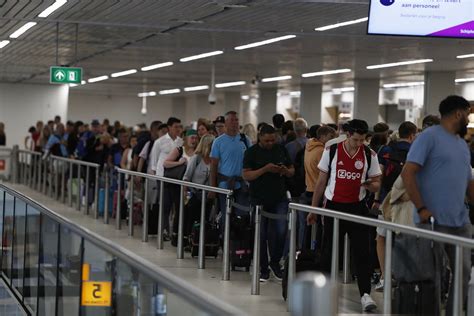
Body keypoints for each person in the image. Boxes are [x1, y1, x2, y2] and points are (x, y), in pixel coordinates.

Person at [401, 95, 473, 316]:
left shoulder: (462, 145)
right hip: (431, 221)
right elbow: (408, 173)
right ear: (458, 113)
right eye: (468, 115)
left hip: (459, 221)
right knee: (432, 276)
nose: (469, 120)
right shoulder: (428, 138)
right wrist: (421, 208)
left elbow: (468, 182)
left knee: (463, 273)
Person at [307, 119, 382, 312]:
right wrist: (313, 210)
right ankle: (322, 292)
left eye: (362, 140)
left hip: (357, 208)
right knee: (329, 252)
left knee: (362, 253)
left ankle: (365, 295)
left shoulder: (369, 154)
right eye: (356, 139)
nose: (359, 143)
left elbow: (377, 183)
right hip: (333, 207)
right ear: (348, 135)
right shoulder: (331, 151)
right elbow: (321, 181)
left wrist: (367, 185)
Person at [243, 124, 294, 281]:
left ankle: (275, 262)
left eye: (273, 140)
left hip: (279, 197)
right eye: (267, 141)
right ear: (260, 137)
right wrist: (265, 169)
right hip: (258, 197)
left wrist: (284, 171)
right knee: (261, 234)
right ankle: (263, 268)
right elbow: (247, 175)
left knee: (281, 230)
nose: (270, 143)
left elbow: (292, 171)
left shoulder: (281, 149)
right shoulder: (251, 152)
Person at [372, 121, 417, 292]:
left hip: (386, 201)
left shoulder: (386, 150)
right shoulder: (415, 151)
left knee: (381, 238)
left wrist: (376, 199)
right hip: (407, 203)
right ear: (412, 135)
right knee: (405, 240)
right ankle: (404, 278)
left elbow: (380, 176)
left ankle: (384, 276)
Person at [209, 111, 251, 225]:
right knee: (226, 215)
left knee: (242, 215)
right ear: (226, 123)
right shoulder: (218, 142)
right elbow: (213, 165)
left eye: (236, 120)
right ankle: (225, 239)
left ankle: (239, 240)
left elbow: (251, 161)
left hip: (242, 185)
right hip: (225, 185)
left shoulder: (245, 139)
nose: (235, 123)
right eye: (232, 120)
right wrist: (213, 187)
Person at [300, 126, 336, 249]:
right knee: (320, 230)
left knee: (307, 231)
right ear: (322, 137)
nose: (334, 140)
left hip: (308, 189)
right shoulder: (322, 151)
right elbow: (325, 174)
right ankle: (317, 255)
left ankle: (305, 254)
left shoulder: (309, 147)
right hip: (318, 193)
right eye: (331, 137)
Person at [149, 117, 184, 239]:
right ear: (169, 127)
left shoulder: (181, 142)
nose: (178, 129)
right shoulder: (160, 142)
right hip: (163, 177)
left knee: (177, 206)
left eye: (180, 127)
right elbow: (154, 161)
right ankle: (164, 230)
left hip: (176, 177)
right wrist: (155, 176)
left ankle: (175, 231)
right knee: (165, 205)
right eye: (176, 127)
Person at [182, 134, 215, 235]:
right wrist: (185, 195)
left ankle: (201, 241)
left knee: (205, 219)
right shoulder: (196, 158)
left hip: (208, 196)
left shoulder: (214, 160)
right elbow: (186, 177)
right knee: (192, 219)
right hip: (194, 194)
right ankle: (188, 239)